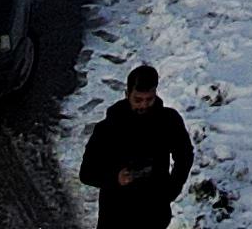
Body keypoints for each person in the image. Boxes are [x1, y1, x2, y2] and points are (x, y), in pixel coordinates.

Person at [76, 63, 195, 229]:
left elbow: (184, 156)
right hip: (116, 215)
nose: (144, 105)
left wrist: (170, 190)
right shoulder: (108, 128)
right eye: (138, 100)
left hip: (153, 214)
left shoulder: (169, 121)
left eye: (149, 99)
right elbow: (87, 173)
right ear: (127, 95)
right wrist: (115, 178)